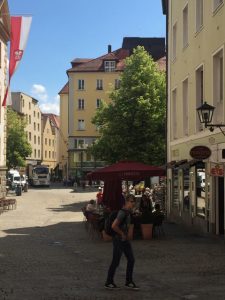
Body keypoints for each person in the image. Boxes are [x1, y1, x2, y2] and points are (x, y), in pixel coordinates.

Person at [105, 194, 139, 290]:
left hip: (124, 240)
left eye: (134, 202)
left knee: (131, 260)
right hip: (118, 240)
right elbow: (114, 226)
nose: (133, 203)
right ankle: (109, 282)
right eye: (132, 202)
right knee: (115, 261)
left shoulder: (128, 212)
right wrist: (122, 234)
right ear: (127, 202)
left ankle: (128, 281)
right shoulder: (122, 213)